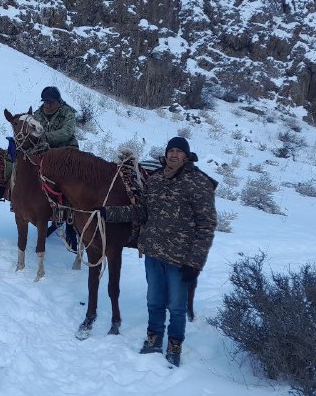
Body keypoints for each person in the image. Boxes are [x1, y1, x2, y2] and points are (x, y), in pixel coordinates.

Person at [102, 136, 217, 367]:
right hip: (153, 253)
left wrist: (195, 263)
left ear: (186, 155)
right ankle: (153, 339)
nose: (173, 154)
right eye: (170, 150)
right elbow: (141, 212)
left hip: (180, 258)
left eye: (178, 151)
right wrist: (108, 212)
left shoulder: (198, 183)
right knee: (154, 301)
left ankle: (174, 346)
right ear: (165, 155)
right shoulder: (155, 181)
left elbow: (206, 225)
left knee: (176, 306)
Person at [34, 86, 80, 250]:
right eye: (45, 101)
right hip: (44, 151)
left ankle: (72, 210)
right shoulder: (37, 114)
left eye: (50, 102)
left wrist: (45, 136)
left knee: (71, 180)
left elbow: (67, 133)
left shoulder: (68, 113)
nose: (47, 105)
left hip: (66, 149)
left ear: (58, 102)